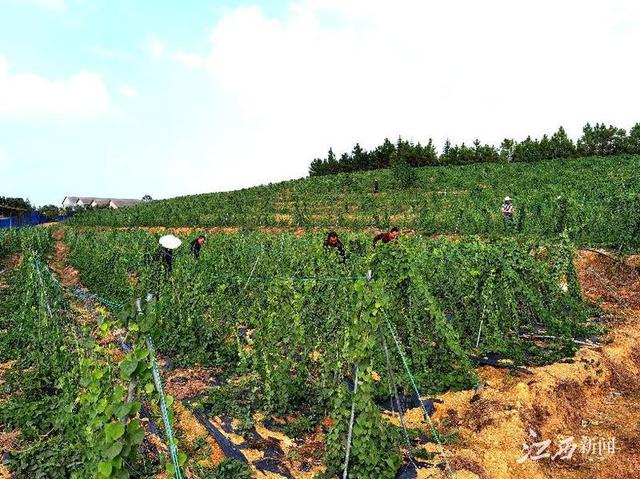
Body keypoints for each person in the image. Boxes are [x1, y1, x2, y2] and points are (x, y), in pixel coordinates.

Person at [137, 234, 182, 312]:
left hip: (161, 270)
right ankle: (146, 303)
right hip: (157, 271)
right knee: (154, 285)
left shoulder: (167, 250)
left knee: (158, 287)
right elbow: (167, 263)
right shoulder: (163, 252)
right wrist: (169, 273)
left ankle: (155, 301)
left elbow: (168, 264)